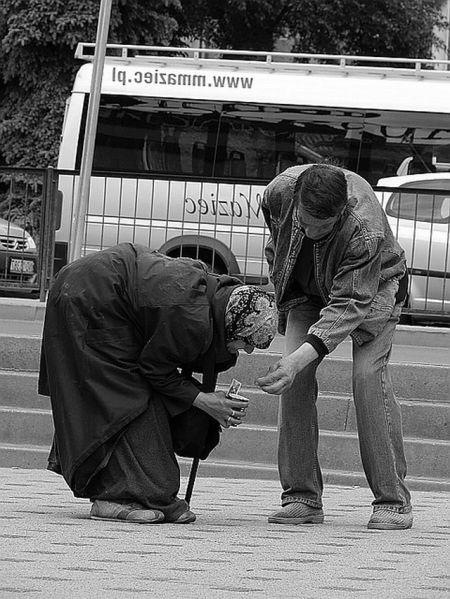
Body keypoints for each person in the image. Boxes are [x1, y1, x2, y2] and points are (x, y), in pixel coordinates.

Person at [39, 243, 277, 525]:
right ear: (235, 324)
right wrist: (204, 401)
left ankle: (128, 494)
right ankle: (115, 498)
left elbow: (164, 362)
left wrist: (202, 399)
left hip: (98, 289)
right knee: (124, 400)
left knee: (130, 398)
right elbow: (154, 371)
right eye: (248, 342)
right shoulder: (192, 317)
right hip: (87, 298)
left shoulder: (217, 301)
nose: (247, 351)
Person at [256, 163, 412, 530]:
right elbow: (276, 247)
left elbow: (349, 303)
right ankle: (302, 497)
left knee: (367, 379)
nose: (313, 234)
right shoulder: (278, 193)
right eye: (307, 224)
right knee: (290, 379)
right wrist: (294, 360)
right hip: (306, 293)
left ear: (341, 211)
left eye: (324, 228)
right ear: (296, 203)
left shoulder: (364, 228)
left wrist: (300, 357)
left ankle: (393, 501)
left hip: (374, 290)